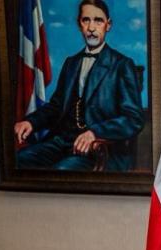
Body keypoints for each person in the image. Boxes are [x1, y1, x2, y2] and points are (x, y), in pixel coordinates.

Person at [13, 0, 143, 171]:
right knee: (18, 160)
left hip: (100, 149)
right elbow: (55, 107)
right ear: (79, 24)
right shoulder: (71, 63)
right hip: (63, 142)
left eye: (98, 20)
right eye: (86, 20)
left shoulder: (122, 65)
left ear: (108, 25)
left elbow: (133, 119)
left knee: (61, 173)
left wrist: (95, 132)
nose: (91, 27)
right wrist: (30, 122)